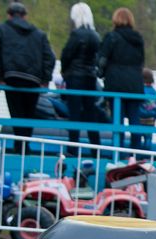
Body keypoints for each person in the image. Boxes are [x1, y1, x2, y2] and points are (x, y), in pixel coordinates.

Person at [0, 2, 55, 153]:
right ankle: (25, 146)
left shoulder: (1, 29)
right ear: (25, 16)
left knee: (16, 113)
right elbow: (49, 57)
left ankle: (19, 146)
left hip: (11, 77)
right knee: (29, 114)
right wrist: (45, 80)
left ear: (9, 15)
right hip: (33, 79)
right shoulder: (39, 34)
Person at [97, 7, 145, 150]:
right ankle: (136, 152)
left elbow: (102, 60)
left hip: (115, 84)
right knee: (135, 120)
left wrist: (100, 73)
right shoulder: (138, 39)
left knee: (118, 122)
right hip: (135, 84)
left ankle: (118, 152)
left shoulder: (111, 37)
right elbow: (141, 61)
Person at [60, 2, 102, 152]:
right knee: (91, 112)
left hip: (75, 77)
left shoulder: (76, 34)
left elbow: (66, 55)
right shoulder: (96, 36)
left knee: (74, 113)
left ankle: (73, 148)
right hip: (90, 77)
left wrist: (64, 71)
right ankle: (95, 147)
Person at [138, 68, 156, 151]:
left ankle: (137, 154)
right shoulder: (155, 93)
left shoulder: (139, 91)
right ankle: (147, 154)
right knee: (148, 138)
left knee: (137, 137)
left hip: (139, 118)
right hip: (151, 119)